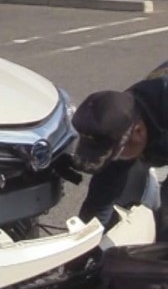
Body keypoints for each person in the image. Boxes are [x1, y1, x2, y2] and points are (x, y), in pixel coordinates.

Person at [70, 61, 168, 238]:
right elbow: (100, 198)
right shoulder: (119, 118)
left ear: (138, 132)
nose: (115, 159)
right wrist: (83, 246)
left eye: (117, 153)